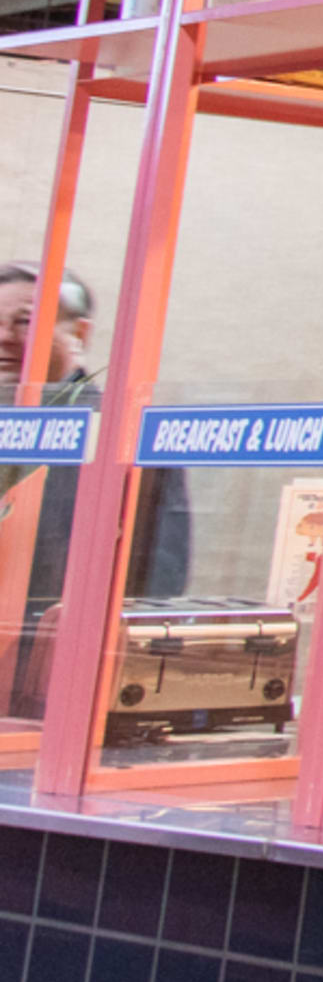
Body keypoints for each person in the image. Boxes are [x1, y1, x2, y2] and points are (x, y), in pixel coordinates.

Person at [0, 264, 188, 717]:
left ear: (79, 331)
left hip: (57, 691)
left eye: (25, 320)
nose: (5, 336)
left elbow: (157, 578)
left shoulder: (121, 429)